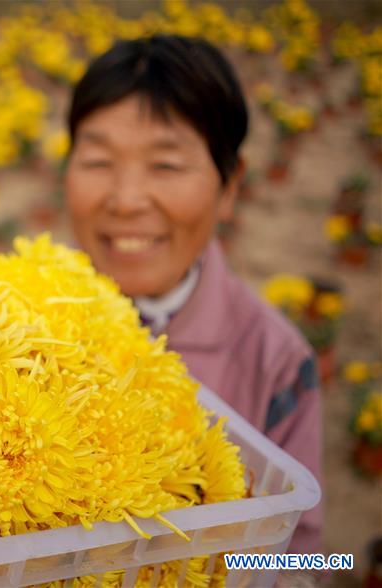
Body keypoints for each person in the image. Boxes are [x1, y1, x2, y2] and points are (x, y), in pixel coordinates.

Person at [63, 34, 322, 554]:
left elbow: (314, 557)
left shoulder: (276, 364)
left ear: (229, 187)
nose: (127, 199)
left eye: (167, 165)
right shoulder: (5, 321)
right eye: (97, 162)